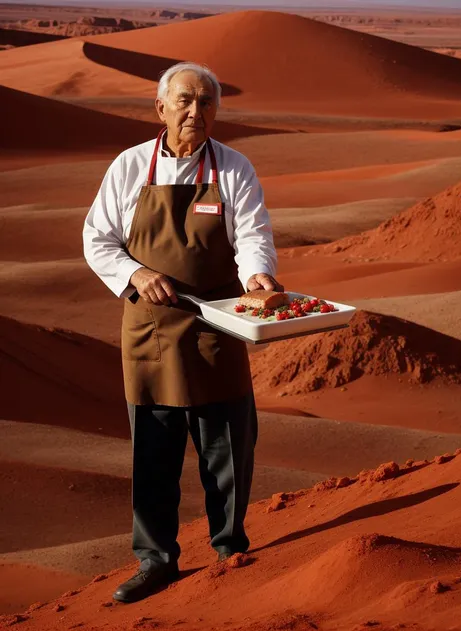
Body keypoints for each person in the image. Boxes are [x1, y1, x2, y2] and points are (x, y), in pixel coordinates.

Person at [83, 62, 281, 603]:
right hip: (149, 330)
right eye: (186, 101)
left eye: (207, 103)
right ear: (162, 108)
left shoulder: (233, 167)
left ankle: (230, 549)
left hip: (219, 323)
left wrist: (259, 274)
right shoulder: (129, 167)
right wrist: (137, 274)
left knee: (228, 448)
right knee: (154, 450)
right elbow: (97, 240)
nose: (197, 112)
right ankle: (155, 560)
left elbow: (253, 234)